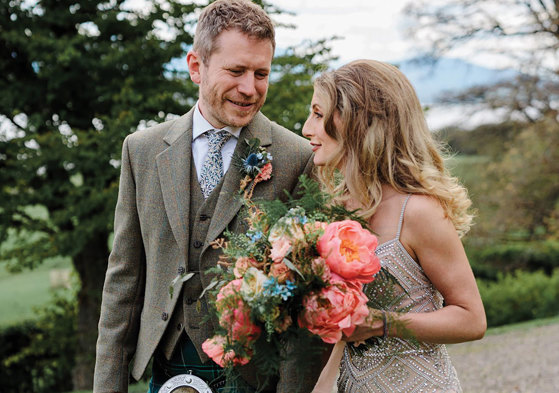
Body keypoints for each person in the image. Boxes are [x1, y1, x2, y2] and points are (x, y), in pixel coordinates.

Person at [93, 1, 321, 392]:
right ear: (196, 66)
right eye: (236, 71)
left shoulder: (295, 157)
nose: (250, 89)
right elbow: (124, 280)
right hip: (166, 370)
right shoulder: (142, 151)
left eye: (261, 73)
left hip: (253, 379)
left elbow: (305, 302)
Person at [302, 59, 487, 392]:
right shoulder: (332, 209)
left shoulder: (418, 211)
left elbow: (472, 319)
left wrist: (382, 324)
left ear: (357, 122)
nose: (306, 129)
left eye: (318, 114)